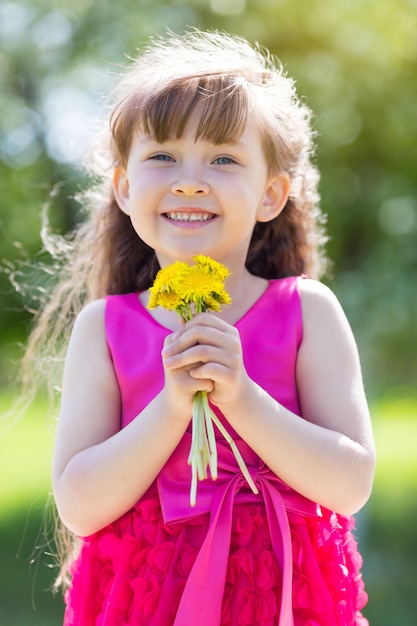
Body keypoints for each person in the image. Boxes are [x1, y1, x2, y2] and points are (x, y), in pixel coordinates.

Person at [27, 29, 375, 625]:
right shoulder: (105, 327)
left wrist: (241, 396)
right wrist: (169, 405)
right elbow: (80, 507)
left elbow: (349, 484)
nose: (190, 180)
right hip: (148, 591)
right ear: (126, 188)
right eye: (162, 156)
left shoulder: (306, 311)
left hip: (280, 590)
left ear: (270, 194)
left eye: (223, 158)